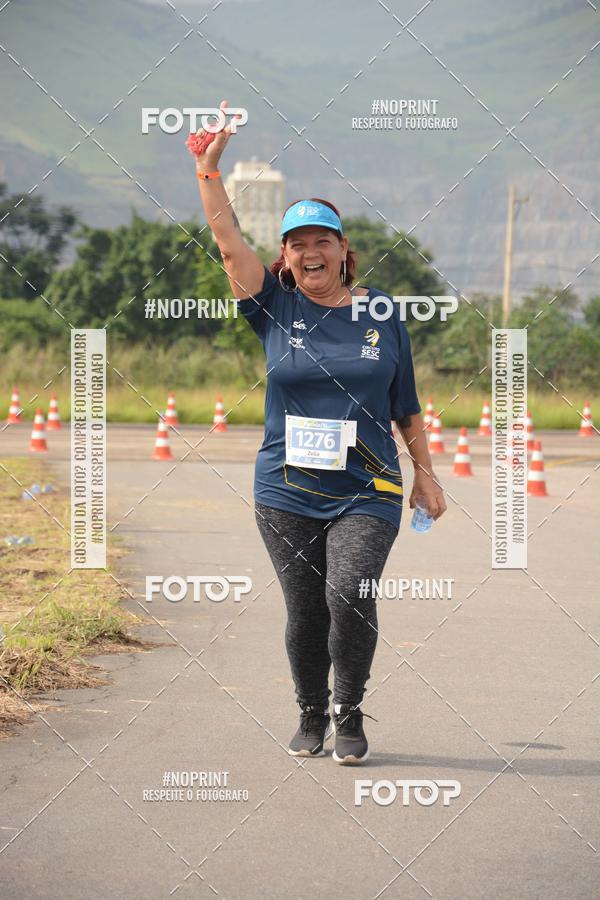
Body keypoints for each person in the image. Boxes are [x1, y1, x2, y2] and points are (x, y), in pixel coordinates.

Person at [192, 100, 446, 764]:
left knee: (349, 593)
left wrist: (426, 475)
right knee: (306, 610)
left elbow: (405, 404)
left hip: (369, 486)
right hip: (286, 489)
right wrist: (209, 170)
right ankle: (311, 712)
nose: (311, 251)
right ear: (285, 255)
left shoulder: (382, 312)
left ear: (342, 250)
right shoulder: (271, 306)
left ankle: (349, 711)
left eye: (322, 240)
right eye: (298, 243)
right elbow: (227, 241)